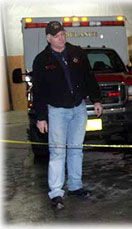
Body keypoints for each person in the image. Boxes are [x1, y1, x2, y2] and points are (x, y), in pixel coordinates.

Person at [32, 21, 103, 210]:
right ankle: (56, 192)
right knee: (57, 152)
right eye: (56, 36)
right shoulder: (41, 60)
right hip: (56, 112)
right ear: (48, 38)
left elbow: (89, 77)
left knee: (76, 149)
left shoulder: (77, 53)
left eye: (63, 34)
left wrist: (96, 99)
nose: (61, 38)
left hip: (78, 109)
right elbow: (37, 91)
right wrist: (40, 117)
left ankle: (75, 186)